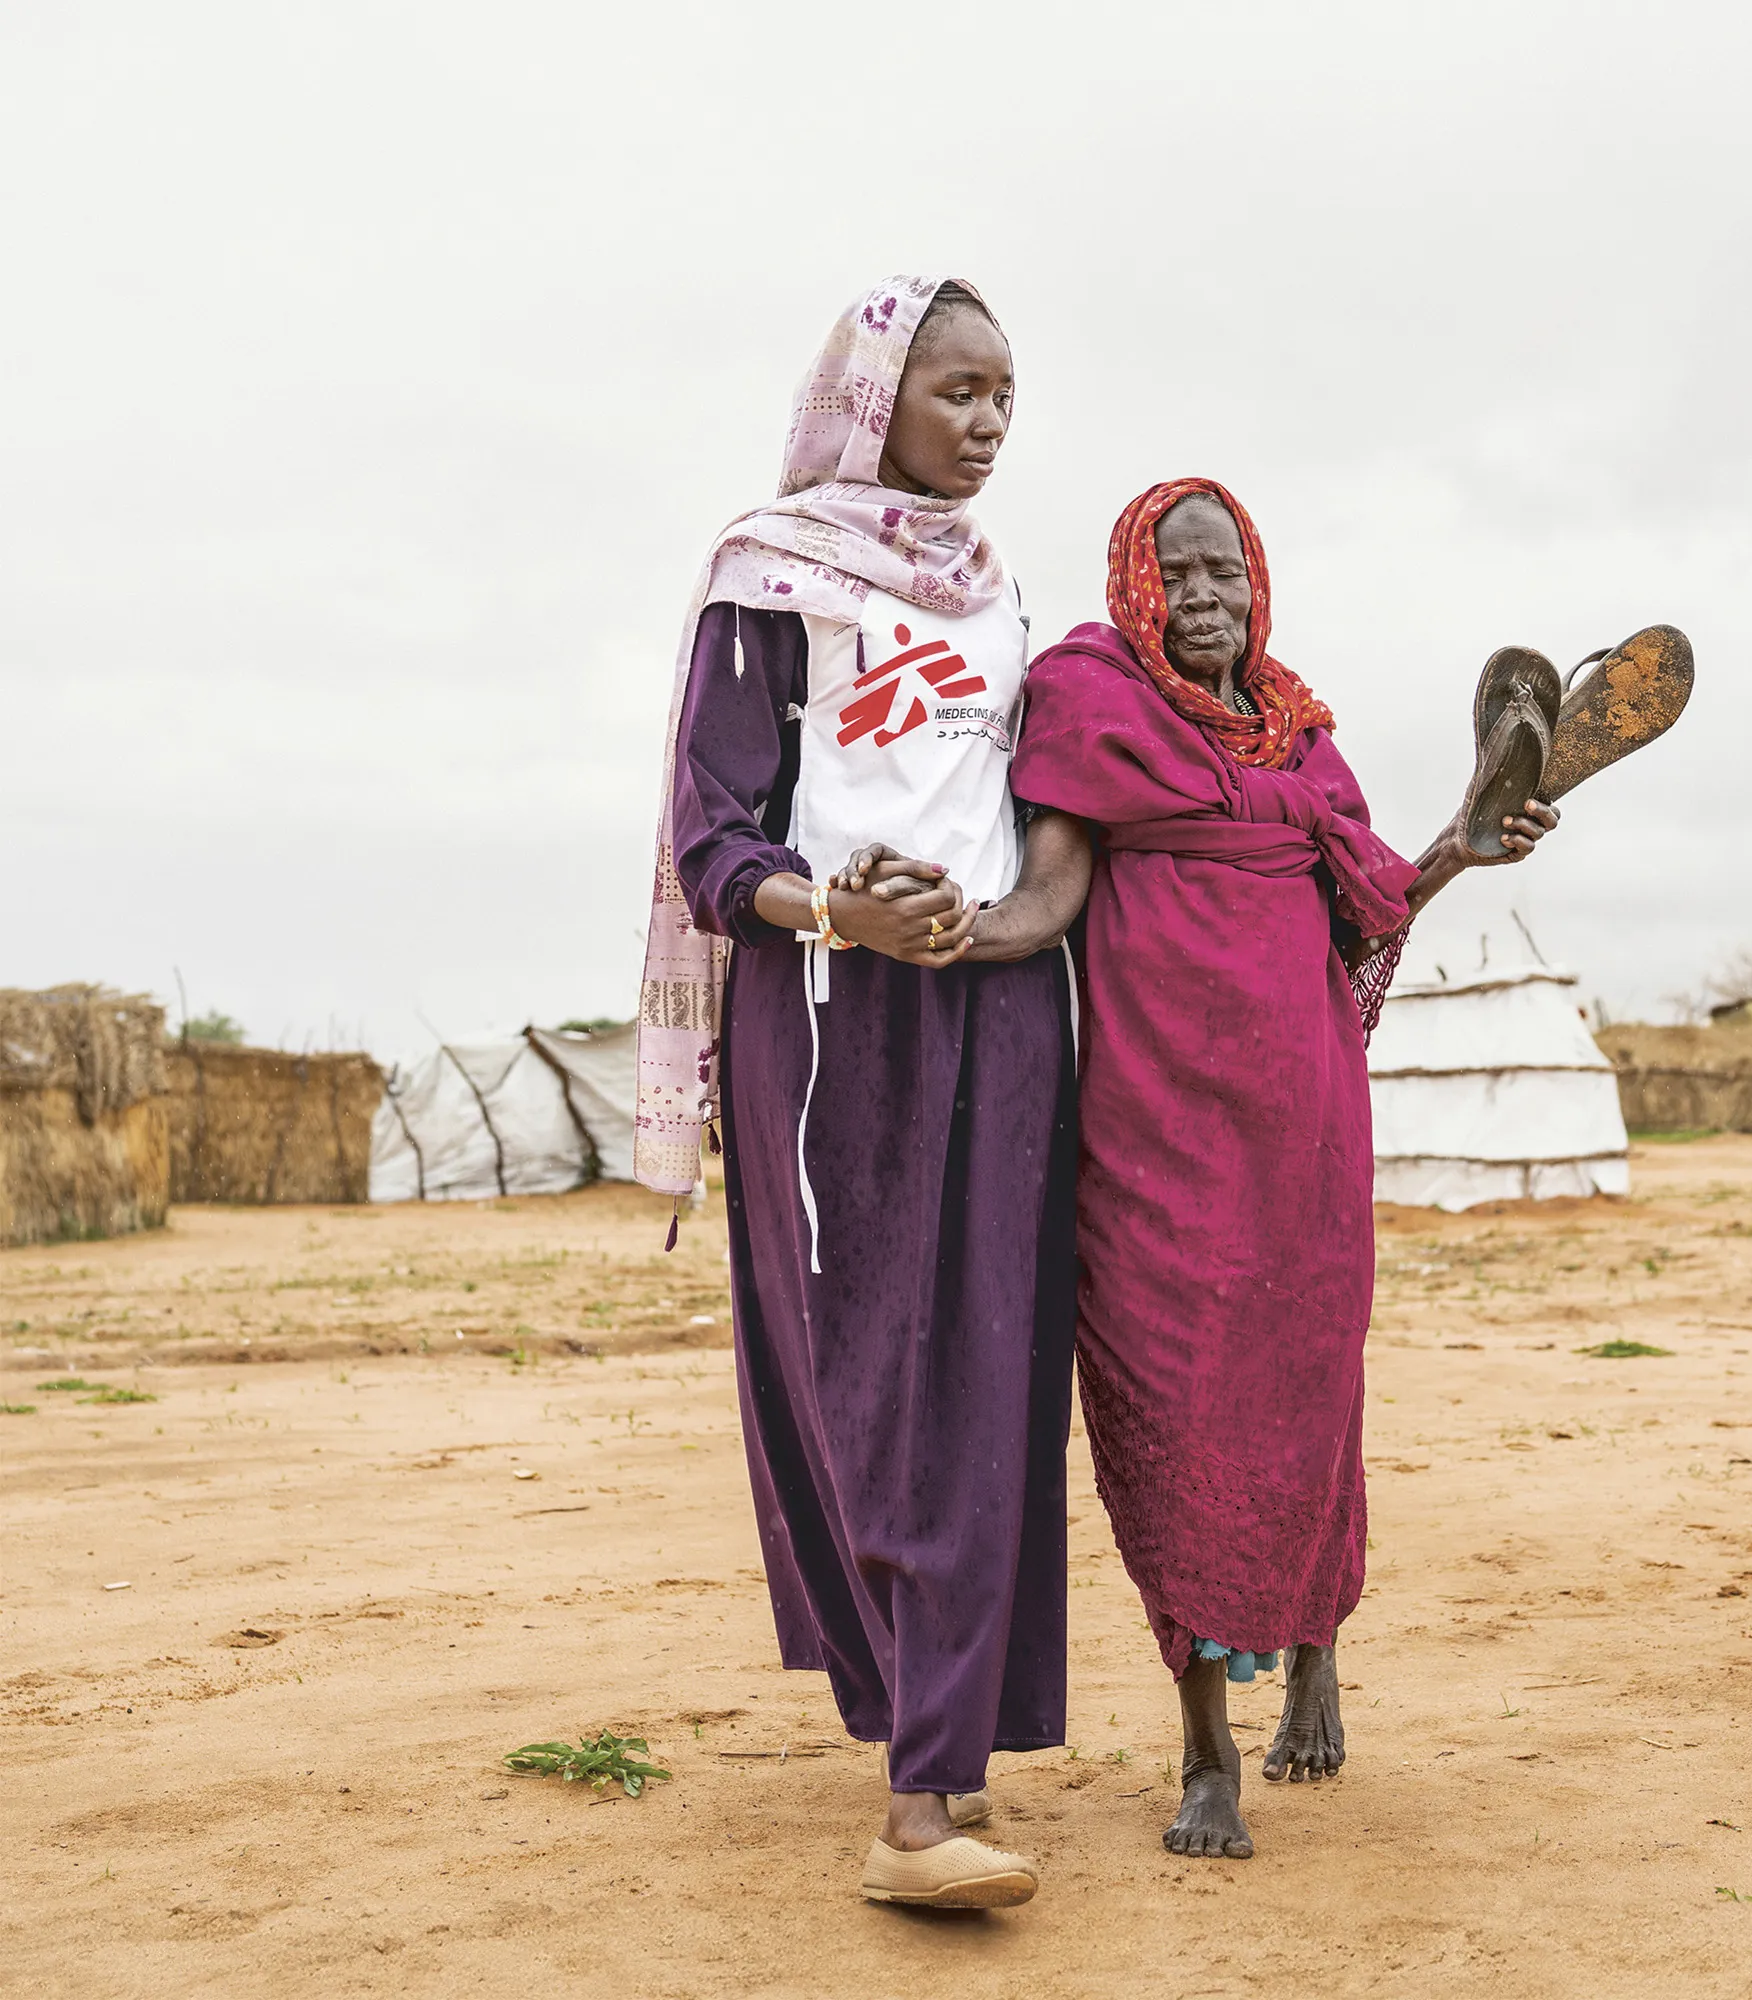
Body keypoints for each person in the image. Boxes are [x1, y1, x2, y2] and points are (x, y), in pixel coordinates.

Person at [968, 476, 1558, 1861]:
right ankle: (1202, 1752)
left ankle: (1313, 1663)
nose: (1210, 597)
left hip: (1301, 1131)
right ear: (1136, 585)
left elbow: (1368, 912)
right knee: (1168, 1411)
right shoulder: (1089, 704)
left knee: (1305, 1404)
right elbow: (1051, 893)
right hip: (1149, 1133)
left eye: (1229, 570)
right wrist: (943, 935)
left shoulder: (1307, 743)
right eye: (1181, 574)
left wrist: (1463, 847)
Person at [636, 276, 1075, 1909]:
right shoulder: (771, 580)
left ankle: (933, 1778)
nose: (985, 422)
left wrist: (1003, 923)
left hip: (1005, 1014)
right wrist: (843, 908)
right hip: (830, 1024)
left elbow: (1042, 802)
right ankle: (918, 1764)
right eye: (957, 389)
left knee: (989, 1369)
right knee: (873, 1378)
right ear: (871, 395)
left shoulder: (1004, 593)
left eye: (1005, 397)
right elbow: (713, 837)